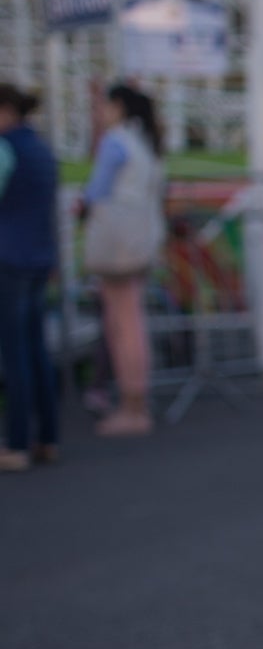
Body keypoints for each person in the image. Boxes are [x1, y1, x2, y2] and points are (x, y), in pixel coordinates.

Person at [79, 82, 167, 437]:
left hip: (116, 245)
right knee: (131, 322)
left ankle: (133, 406)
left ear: (117, 106)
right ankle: (135, 402)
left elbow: (96, 190)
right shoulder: (145, 142)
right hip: (140, 241)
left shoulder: (116, 142)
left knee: (123, 326)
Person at [0, 83, 60, 472]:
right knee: (36, 349)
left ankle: (17, 443)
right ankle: (46, 438)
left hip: (9, 257)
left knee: (15, 353)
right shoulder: (40, 147)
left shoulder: (7, 148)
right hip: (39, 256)